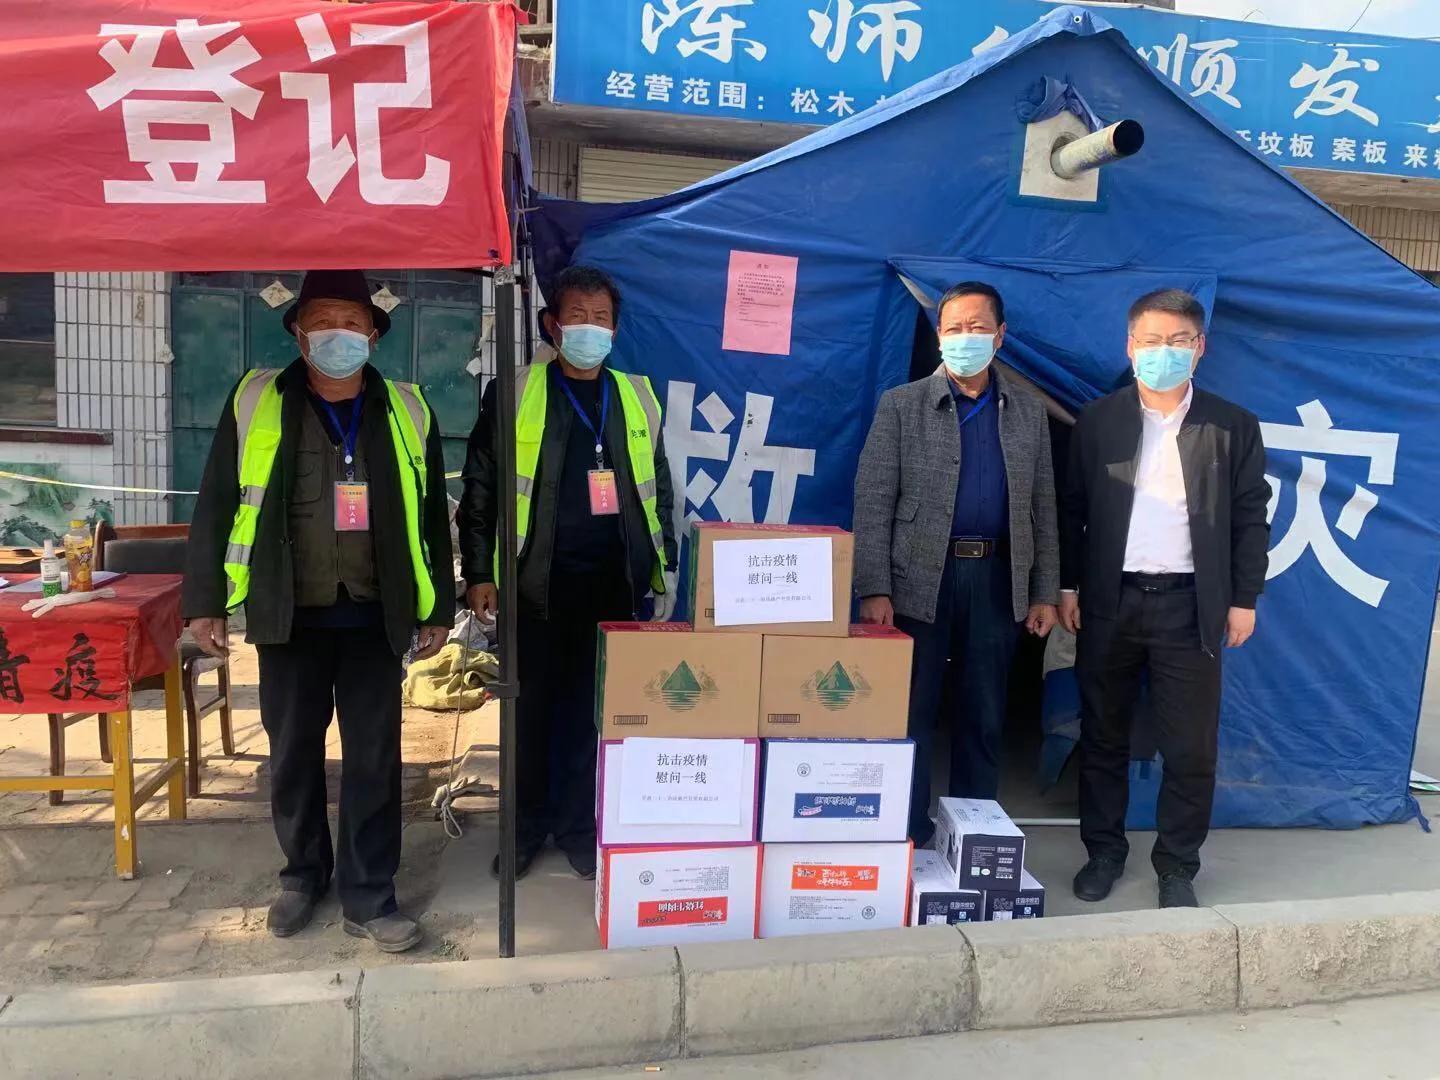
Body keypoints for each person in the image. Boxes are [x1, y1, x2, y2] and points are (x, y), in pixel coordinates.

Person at [182, 269, 454, 952]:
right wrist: (204, 601)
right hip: (288, 613)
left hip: (375, 614)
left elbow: (430, 517)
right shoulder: (256, 400)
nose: (339, 335)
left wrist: (438, 608)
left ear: (373, 336)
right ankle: (302, 876)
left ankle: (369, 893)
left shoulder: (408, 408)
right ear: (299, 334)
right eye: (324, 322)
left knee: (374, 758)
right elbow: (217, 500)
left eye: (353, 323)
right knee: (292, 754)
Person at [457, 265, 677, 880]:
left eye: (601, 318)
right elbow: (480, 487)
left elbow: (657, 488)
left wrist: (660, 568)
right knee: (529, 714)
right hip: (533, 586)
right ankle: (525, 829)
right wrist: (479, 571)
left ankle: (579, 827)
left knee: (589, 715)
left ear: (615, 330)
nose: (589, 327)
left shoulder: (636, 396)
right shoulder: (515, 391)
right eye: (576, 316)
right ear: (552, 325)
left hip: (611, 584)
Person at [1059, 288, 1270, 909]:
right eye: (1151, 341)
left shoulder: (1232, 425)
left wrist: (1243, 598)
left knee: (1191, 746)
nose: (1163, 353)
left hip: (1191, 605)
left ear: (1200, 347)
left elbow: (1250, 518)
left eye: (1178, 341)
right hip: (1111, 599)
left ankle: (1177, 865)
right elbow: (1072, 510)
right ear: (1130, 346)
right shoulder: (1099, 421)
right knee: (1103, 734)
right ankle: (1103, 852)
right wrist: (1068, 585)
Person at [854, 281, 1060, 845]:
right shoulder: (902, 405)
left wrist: (1044, 590)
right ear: (939, 336)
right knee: (912, 710)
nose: (964, 338)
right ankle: (909, 831)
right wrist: (873, 587)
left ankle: (972, 834)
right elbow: (873, 499)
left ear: (1000, 336)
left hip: (996, 578)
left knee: (983, 713)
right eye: (953, 328)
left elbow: (1043, 504)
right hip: (919, 579)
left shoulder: (1027, 413)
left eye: (977, 328)